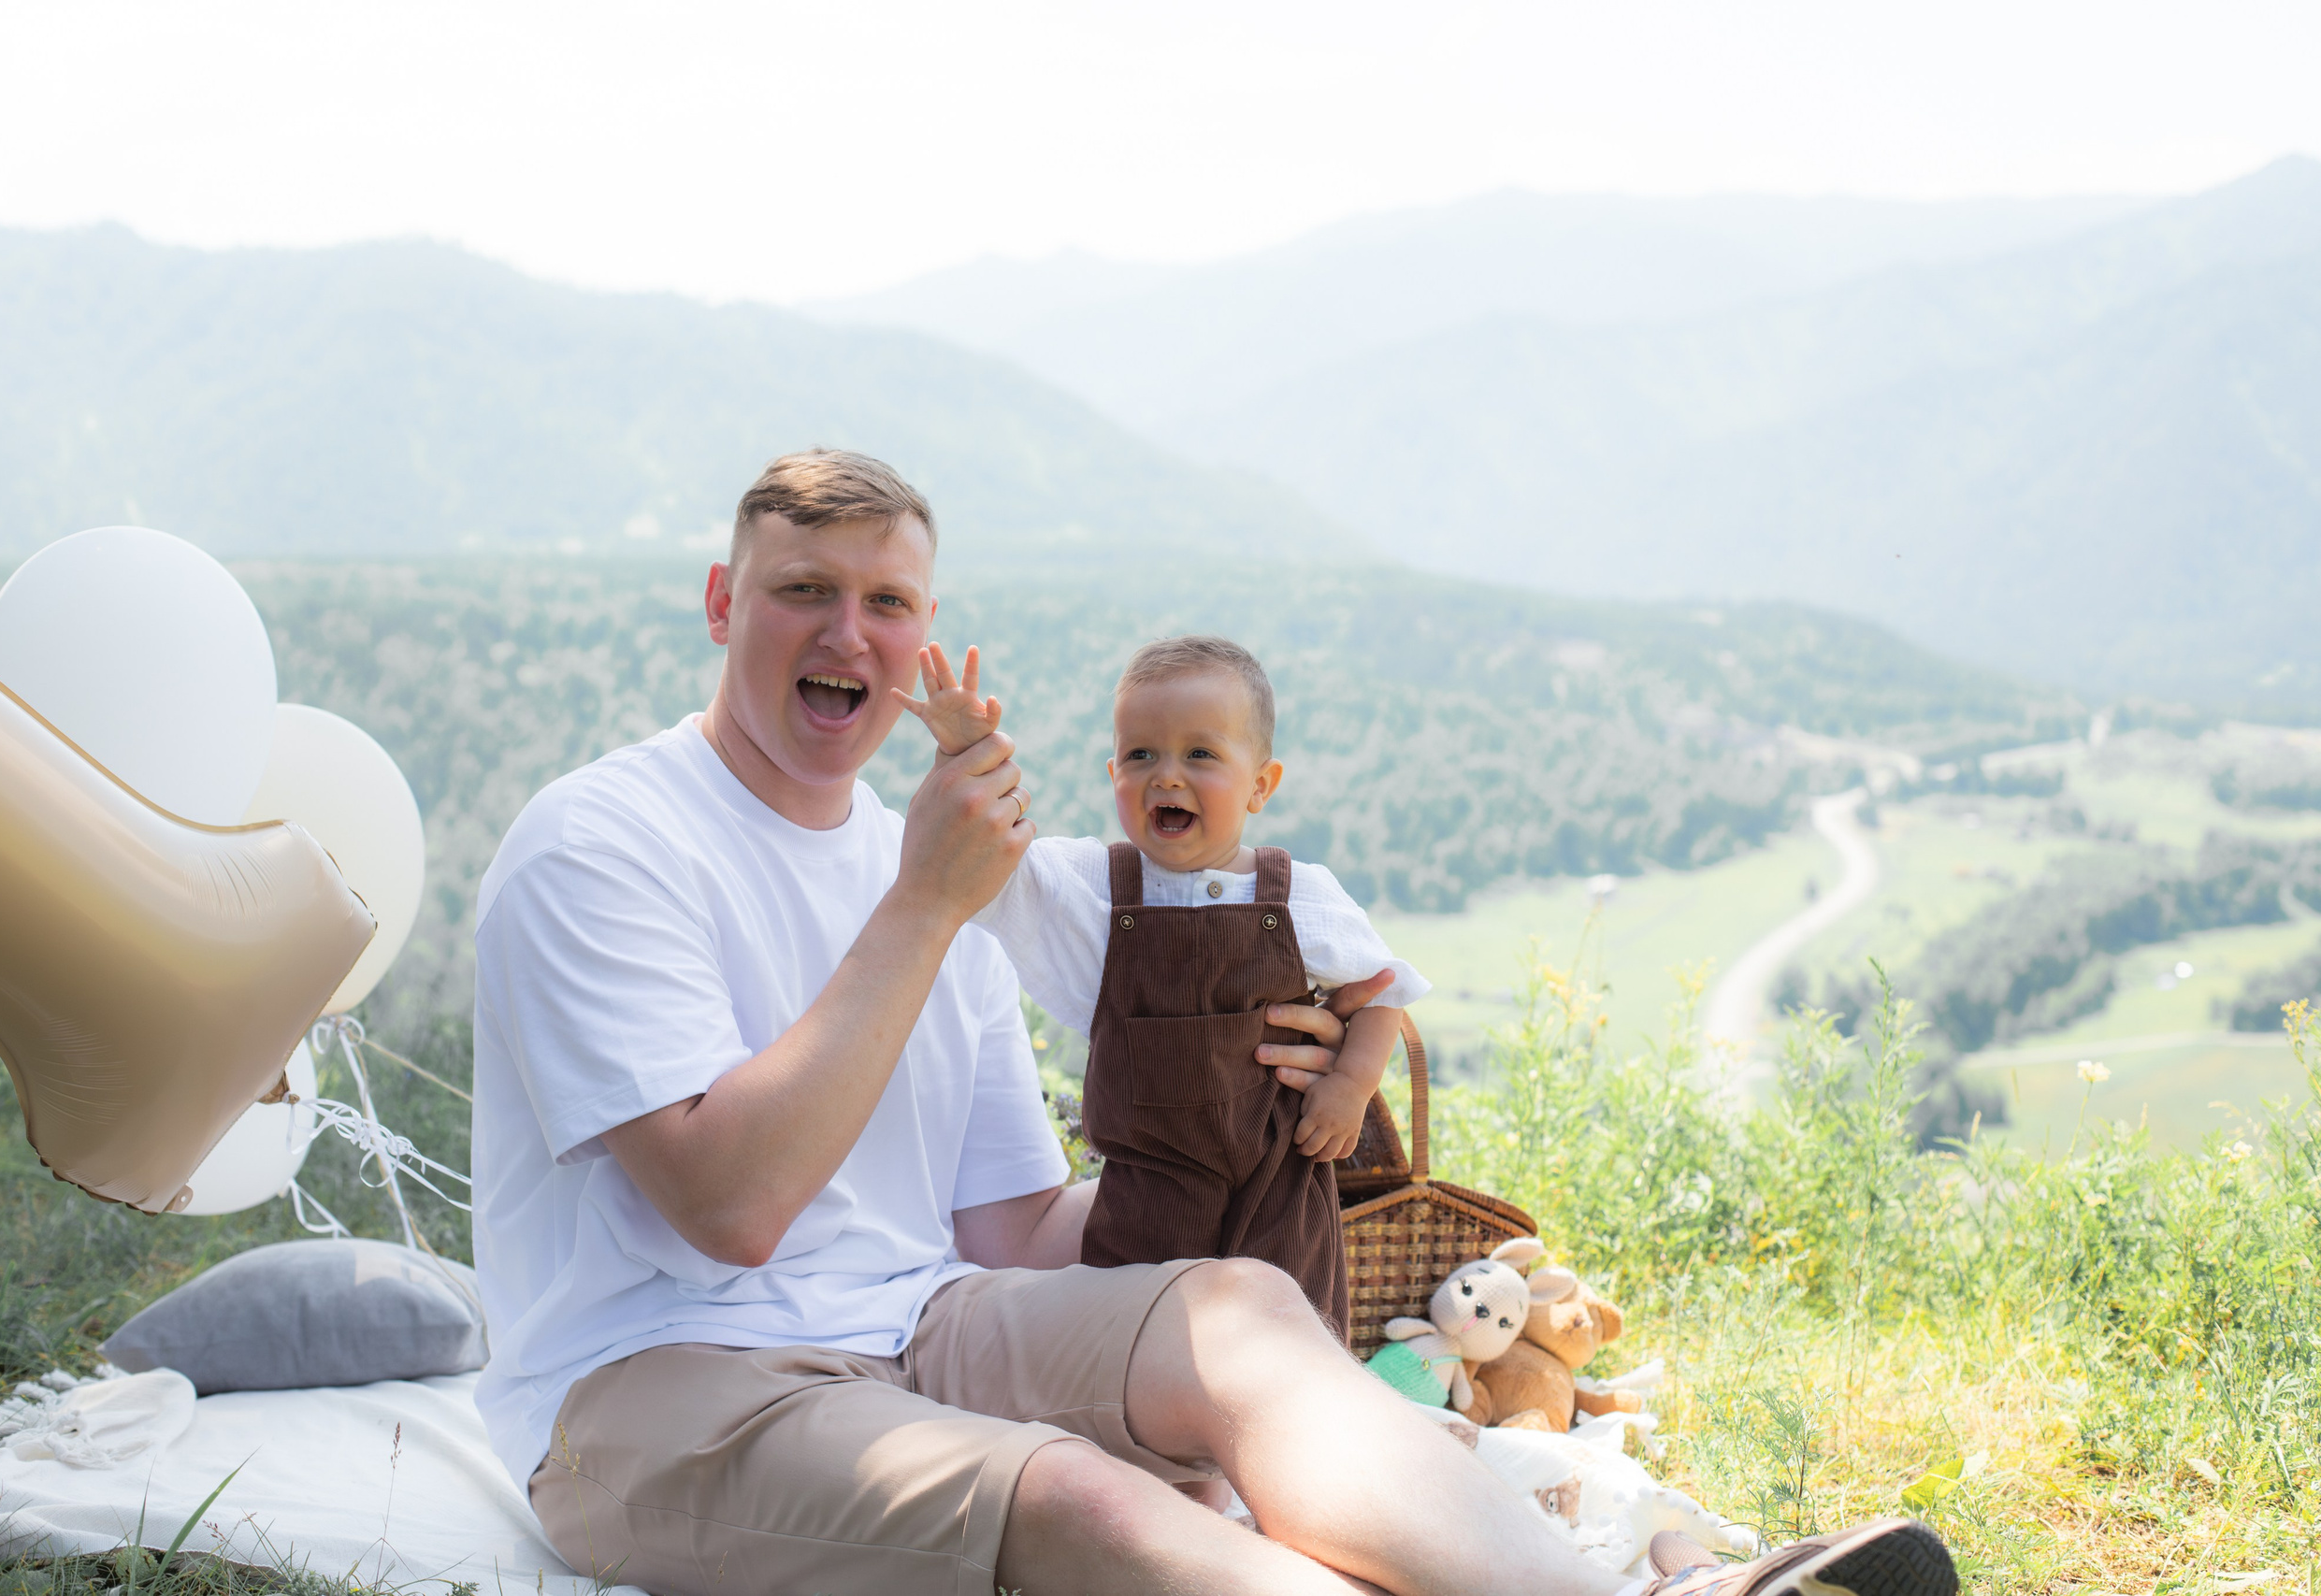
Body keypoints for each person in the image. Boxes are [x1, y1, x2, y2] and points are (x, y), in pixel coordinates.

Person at [469, 447, 1959, 1596]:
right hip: (651, 1386)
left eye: (890, 600)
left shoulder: (944, 867)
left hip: (920, 1320)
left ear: (924, 640)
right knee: (1074, 1490)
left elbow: (1008, 1227)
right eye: (804, 587)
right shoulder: (605, 841)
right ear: (726, 602)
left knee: (1236, 1307)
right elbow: (730, 1205)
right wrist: (920, 907)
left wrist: (1242, 1129)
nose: (845, 630)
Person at [895, 635, 1422, 1339]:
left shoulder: (1301, 896)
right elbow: (995, 862)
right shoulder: (1096, 891)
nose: (1166, 775)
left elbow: (1384, 989)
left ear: (1261, 784)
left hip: (1278, 1188)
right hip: (1147, 1200)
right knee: (1133, 1349)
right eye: (1141, 755)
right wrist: (967, 757)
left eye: (1200, 754)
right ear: (1113, 772)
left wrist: (1351, 1084)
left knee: (1288, 1346)